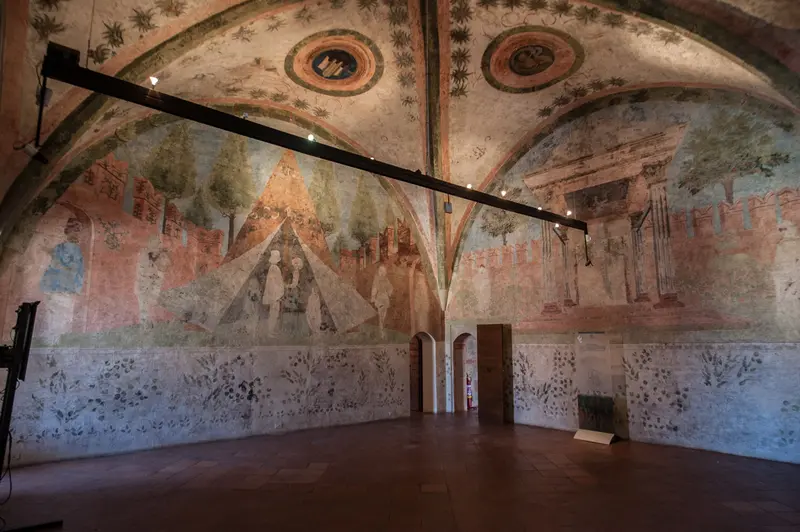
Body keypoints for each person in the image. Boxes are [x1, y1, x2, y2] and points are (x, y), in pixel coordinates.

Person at [39, 217, 84, 344]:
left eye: (78, 230)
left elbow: (75, 268)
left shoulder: (74, 249)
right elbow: (57, 262)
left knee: (62, 312)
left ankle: (56, 339)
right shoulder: (61, 247)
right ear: (67, 231)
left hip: (65, 285)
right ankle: (51, 339)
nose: (76, 233)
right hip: (56, 284)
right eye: (74, 230)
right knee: (53, 311)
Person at [262, 249, 284, 338]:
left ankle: (271, 330)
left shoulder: (273, 267)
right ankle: (270, 331)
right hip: (274, 295)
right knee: (273, 313)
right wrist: (276, 295)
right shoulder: (274, 268)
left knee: (274, 313)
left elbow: (275, 282)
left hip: (275, 294)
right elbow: (274, 283)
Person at [371, 265, 393, 339]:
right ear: (378, 271)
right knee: (381, 316)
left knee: (384, 316)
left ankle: (383, 331)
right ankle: (381, 333)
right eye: (381, 271)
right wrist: (373, 297)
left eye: (384, 271)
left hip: (385, 299)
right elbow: (374, 289)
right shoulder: (377, 279)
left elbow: (390, 287)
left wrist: (389, 292)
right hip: (379, 299)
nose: (382, 273)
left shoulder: (386, 280)